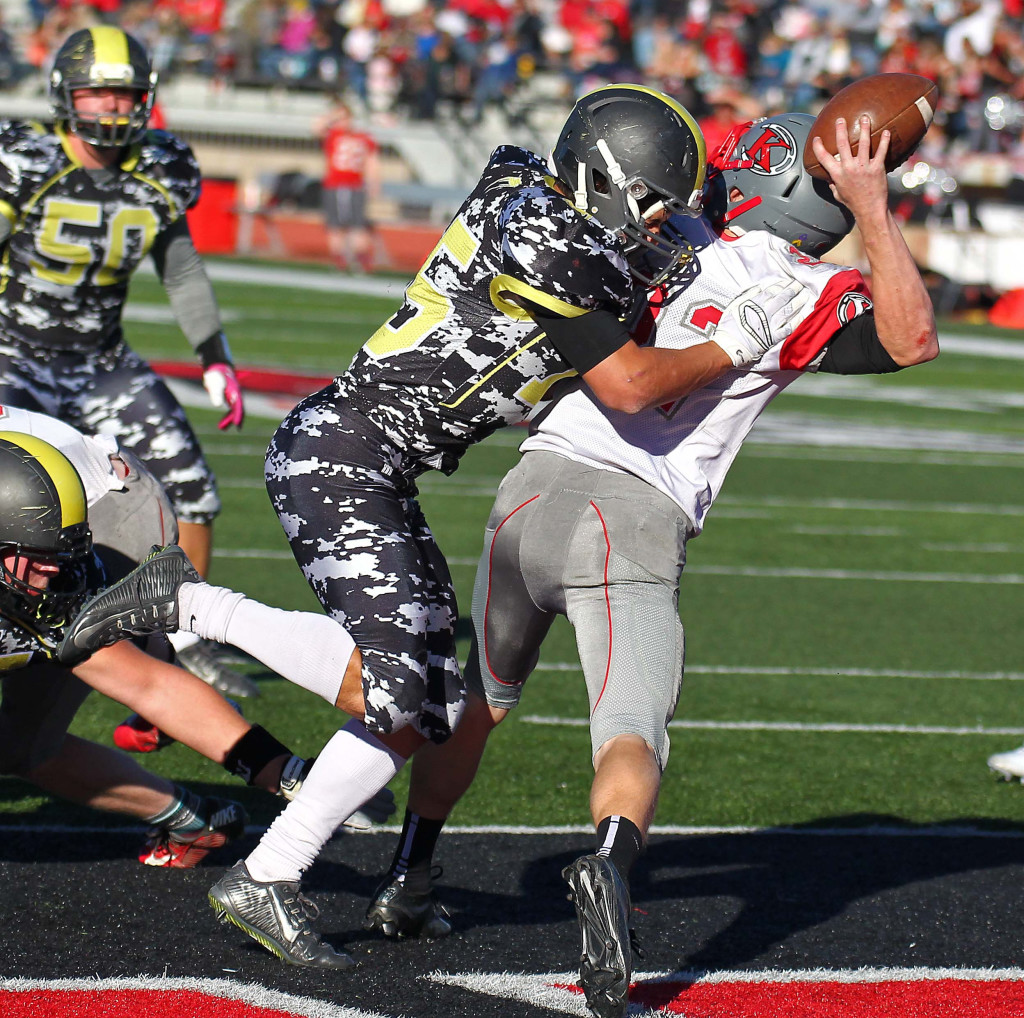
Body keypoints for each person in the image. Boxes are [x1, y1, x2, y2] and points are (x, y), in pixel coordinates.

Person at [200, 83, 817, 968]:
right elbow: (634, 383)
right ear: (603, 183)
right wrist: (735, 342)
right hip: (343, 457)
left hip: (380, 467)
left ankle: (271, 877)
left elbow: (633, 244)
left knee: (434, 706)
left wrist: (690, 229)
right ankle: (194, 613)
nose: (658, 226)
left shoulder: (533, 195)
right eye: (648, 207)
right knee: (396, 690)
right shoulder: (549, 242)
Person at [365, 111, 939, 1018]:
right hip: (632, 515)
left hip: (530, 488)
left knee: (479, 701)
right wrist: (873, 204)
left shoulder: (662, 235)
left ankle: (409, 875)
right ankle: (610, 864)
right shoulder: (804, 292)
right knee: (631, 726)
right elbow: (910, 338)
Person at [0, 409, 393, 868]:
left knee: (26, 743)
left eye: (54, 563)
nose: (50, 576)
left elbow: (143, 684)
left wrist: (289, 776)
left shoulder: (52, 569)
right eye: (41, 563)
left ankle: (167, 675)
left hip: (98, 503)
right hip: (32, 503)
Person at [0, 26, 251, 698]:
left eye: (125, 94)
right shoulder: (25, 158)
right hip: (13, 353)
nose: (112, 108)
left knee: (194, 488)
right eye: (98, 93)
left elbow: (183, 267)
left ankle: (186, 640)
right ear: (65, 93)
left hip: (101, 361)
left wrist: (214, 355)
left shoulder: (162, 165)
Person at [313, 98, 380, 274]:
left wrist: (373, 183)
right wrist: (334, 115)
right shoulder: (334, 135)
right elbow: (316, 127)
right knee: (336, 226)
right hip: (335, 185)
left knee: (356, 226)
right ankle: (341, 261)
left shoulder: (361, 137)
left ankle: (360, 261)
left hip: (353, 185)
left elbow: (371, 163)